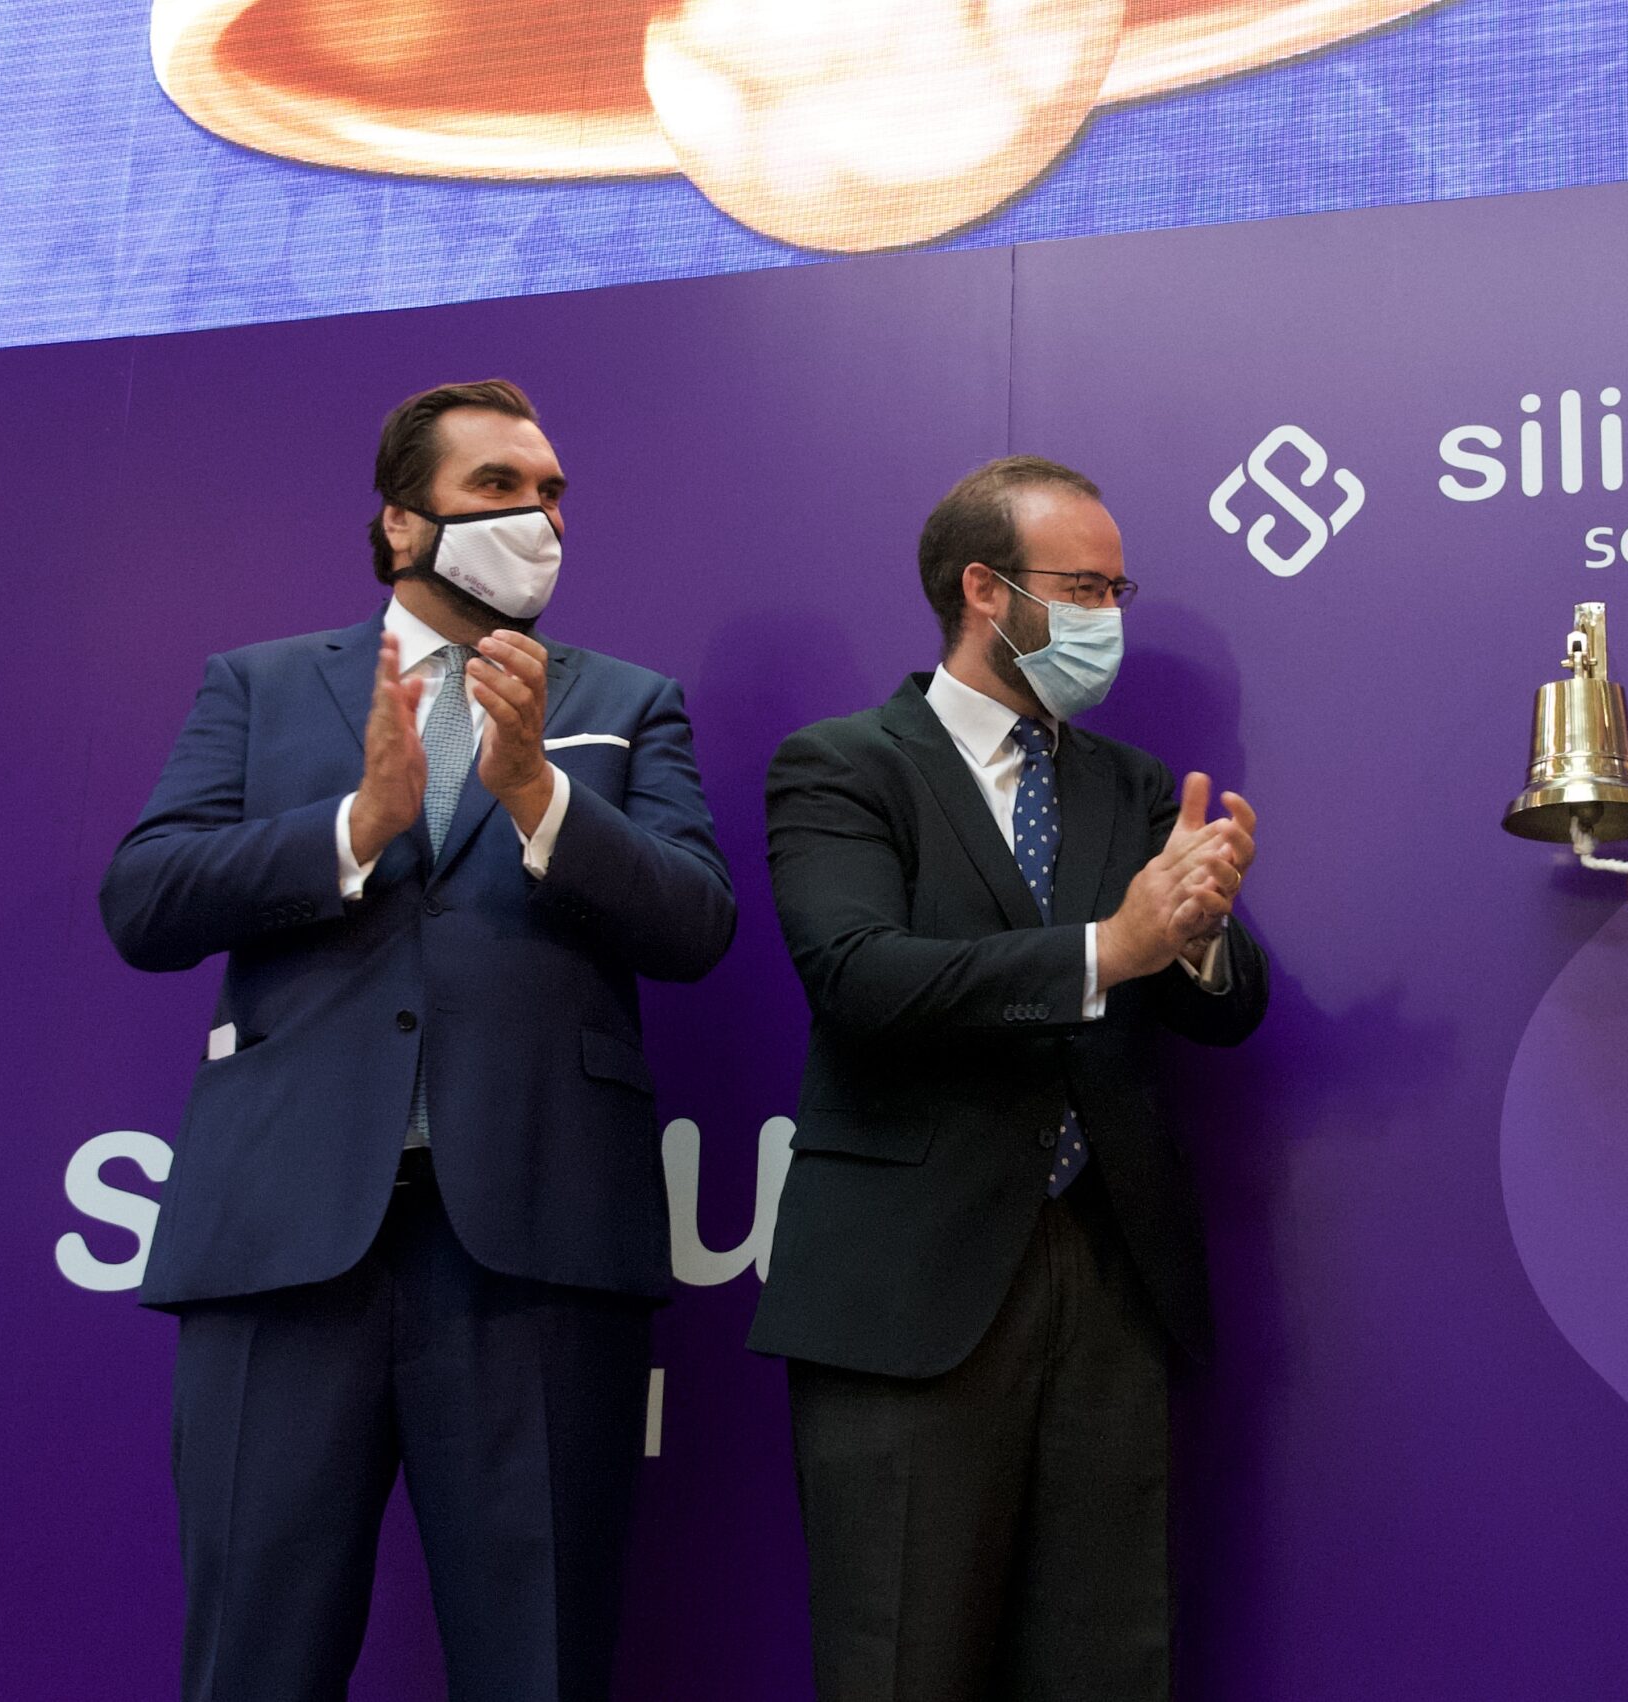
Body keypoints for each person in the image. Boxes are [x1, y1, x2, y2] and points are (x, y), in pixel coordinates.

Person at [98, 379, 736, 1701]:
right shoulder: (262, 687)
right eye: (498, 487)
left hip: (536, 1245)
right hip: (282, 1246)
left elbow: (695, 923)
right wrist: (355, 827)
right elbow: (144, 901)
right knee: (252, 1661)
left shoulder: (628, 701)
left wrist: (541, 796)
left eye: (551, 491)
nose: (538, 516)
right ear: (401, 521)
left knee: (537, 1659)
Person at [749, 454, 1269, 1701]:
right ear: (984, 589)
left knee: (1105, 1658)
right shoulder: (842, 764)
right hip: (909, 1283)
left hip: (1109, 1272)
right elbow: (861, 980)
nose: (1108, 617)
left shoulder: (1132, 783)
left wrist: (1197, 935)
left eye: (1117, 590)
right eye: (1082, 588)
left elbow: (1229, 1008)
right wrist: (1111, 949)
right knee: (900, 1660)